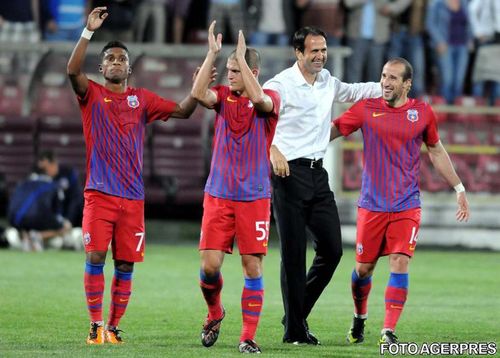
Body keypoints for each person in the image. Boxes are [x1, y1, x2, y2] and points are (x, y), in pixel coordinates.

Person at [67, 6, 198, 344]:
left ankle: (112, 326)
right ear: (101, 67)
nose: (115, 62)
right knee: (95, 256)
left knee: (125, 265)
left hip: (133, 200)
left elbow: (183, 110)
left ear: (129, 68)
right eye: (109, 58)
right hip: (99, 193)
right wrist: (87, 32)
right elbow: (71, 70)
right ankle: (95, 324)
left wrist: (199, 85)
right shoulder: (91, 95)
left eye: (121, 59)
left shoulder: (142, 100)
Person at [330, 57, 470, 344]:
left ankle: (388, 330)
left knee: (399, 261)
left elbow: (436, 151)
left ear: (408, 84)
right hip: (371, 205)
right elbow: (332, 130)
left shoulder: (422, 112)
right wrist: (296, 147)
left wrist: (458, 187)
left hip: (407, 204)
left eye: (393, 78)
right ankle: (359, 317)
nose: (385, 82)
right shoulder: (366, 109)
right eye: (383, 76)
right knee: (363, 270)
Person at [264, 26, 381, 344]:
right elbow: (256, 121)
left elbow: (354, 91)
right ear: (298, 53)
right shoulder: (279, 85)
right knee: (292, 254)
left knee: (331, 250)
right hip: (288, 174)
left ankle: (295, 314)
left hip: (318, 175)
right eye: (314, 50)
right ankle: (294, 331)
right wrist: (272, 149)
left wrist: (385, 86)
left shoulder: (328, 81)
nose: (320, 56)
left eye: (324, 50)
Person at [191, 21, 280, 354]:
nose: (230, 75)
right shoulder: (224, 98)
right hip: (218, 194)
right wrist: (213, 53)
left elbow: (260, 100)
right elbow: (199, 94)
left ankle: (247, 336)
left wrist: (243, 58)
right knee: (209, 267)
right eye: (228, 69)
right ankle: (215, 311)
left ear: (252, 71)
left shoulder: (269, 97)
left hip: (254, 198)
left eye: (236, 69)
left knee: (252, 267)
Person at [7, 172, 72, 252]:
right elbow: (55, 212)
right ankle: (39, 236)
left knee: (23, 225)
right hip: (38, 217)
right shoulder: (51, 185)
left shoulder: (22, 184)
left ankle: (26, 237)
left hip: (15, 218)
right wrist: (62, 225)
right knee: (65, 227)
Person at [37, 150, 83, 228]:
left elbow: (76, 198)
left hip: (72, 218)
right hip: (53, 220)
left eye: (45, 168)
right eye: (42, 170)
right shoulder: (41, 179)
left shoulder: (68, 172)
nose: (44, 172)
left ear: (53, 163)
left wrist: (69, 220)